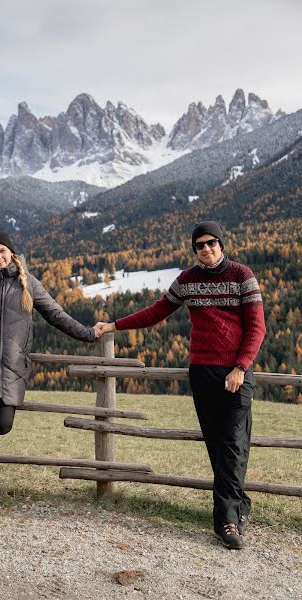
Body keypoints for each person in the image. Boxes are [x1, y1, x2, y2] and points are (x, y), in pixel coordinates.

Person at [95, 221, 266, 550]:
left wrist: (240, 367)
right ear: (194, 250)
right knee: (218, 446)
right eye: (199, 245)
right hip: (202, 373)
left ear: (221, 244)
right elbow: (156, 312)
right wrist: (113, 325)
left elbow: (257, 328)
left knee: (233, 444)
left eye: (212, 243)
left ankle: (226, 523)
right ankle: (238, 506)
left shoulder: (242, 275)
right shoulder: (187, 281)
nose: (206, 249)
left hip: (236, 375)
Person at [0, 227, 99, 512]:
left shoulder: (28, 284)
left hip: (11, 369)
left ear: (12, 253)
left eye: (2, 251)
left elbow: (56, 315)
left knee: (2, 424)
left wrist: (88, 334)